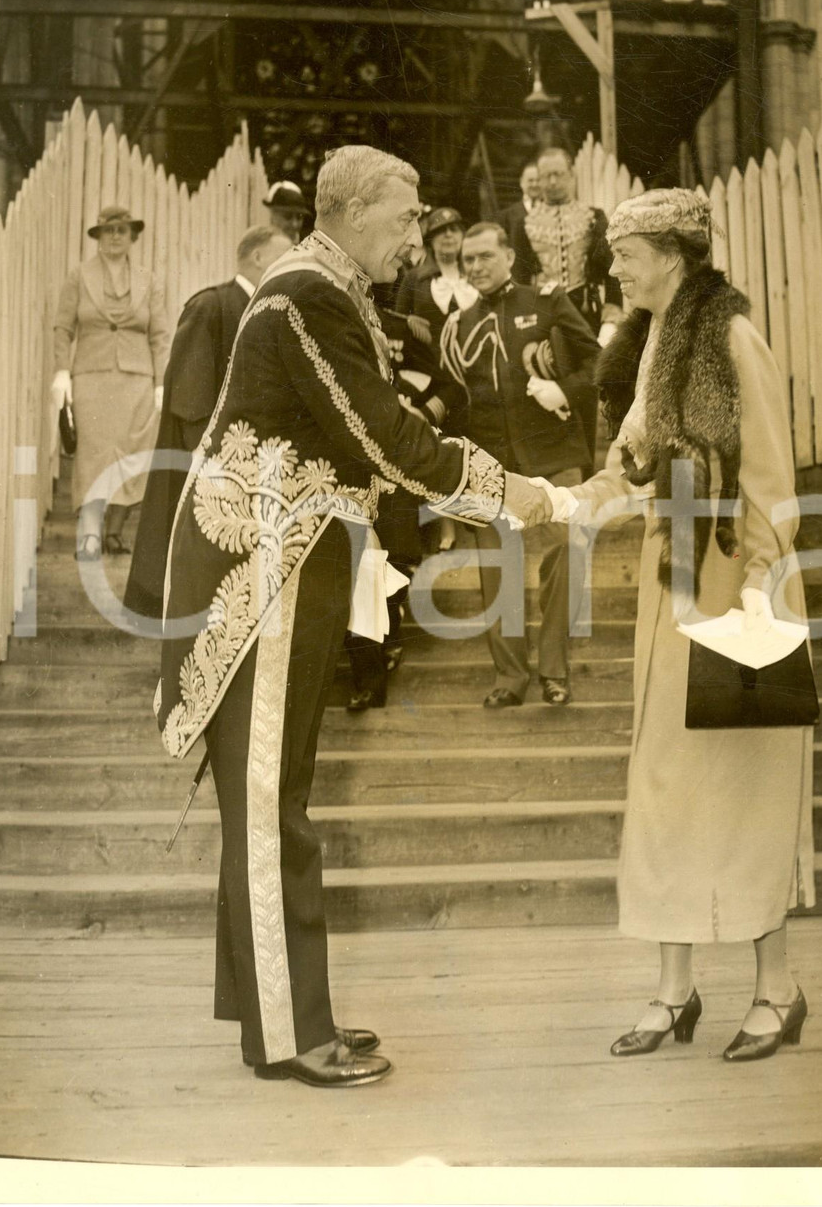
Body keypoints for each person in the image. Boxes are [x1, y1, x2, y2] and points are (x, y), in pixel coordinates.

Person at [156, 145, 550, 1088]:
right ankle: (292, 1031)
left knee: (271, 798)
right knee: (269, 805)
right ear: (354, 210)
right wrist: (518, 493)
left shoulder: (325, 290)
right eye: (407, 216)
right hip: (265, 574)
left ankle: (276, 1010)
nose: (418, 237)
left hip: (290, 563)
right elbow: (390, 440)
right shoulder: (305, 294)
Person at [548, 188, 815, 1062]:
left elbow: (772, 479)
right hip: (675, 581)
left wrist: (755, 597)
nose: (614, 267)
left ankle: (777, 989)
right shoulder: (656, 340)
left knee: (745, 790)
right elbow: (634, 462)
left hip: (741, 580)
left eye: (626, 253)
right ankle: (674, 990)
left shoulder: (733, 337)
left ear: (671, 252)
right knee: (664, 783)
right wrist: (567, 501)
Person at [439, 222, 599, 708]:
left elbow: (597, 362)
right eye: (469, 260)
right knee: (498, 569)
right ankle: (509, 678)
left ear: (510, 256)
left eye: (486, 256)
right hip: (490, 465)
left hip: (552, 458)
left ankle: (554, 671)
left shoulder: (546, 302)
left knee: (561, 561)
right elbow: (456, 399)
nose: (476, 267)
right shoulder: (460, 324)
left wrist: (564, 391)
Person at [122, 225, 293, 620]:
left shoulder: (269, 307)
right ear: (258, 258)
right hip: (210, 462)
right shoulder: (211, 306)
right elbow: (190, 395)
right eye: (283, 256)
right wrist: (214, 462)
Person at [343, 316, 467, 712]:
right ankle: (368, 678)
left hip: (394, 479)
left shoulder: (403, 342)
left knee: (393, 563)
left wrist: (421, 416)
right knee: (359, 574)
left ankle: (390, 641)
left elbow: (447, 387)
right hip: (349, 475)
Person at [50, 206, 169, 560]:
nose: (115, 236)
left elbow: (160, 336)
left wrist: (161, 383)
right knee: (93, 456)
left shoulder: (149, 280)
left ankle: (114, 532)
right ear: (98, 237)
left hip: (137, 382)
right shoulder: (79, 276)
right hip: (91, 379)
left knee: (133, 456)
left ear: (133, 236)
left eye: (122, 230)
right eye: (108, 230)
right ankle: (89, 535)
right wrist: (61, 371)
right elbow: (63, 327)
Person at [522, 147, 623, 332]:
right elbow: (519, 275)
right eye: (546, 176)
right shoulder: (526, 222)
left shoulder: (593, 217)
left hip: (586, 310)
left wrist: (611, 316)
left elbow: (612, 267)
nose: (553, 181)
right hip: (543, 312)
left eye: (558, 174)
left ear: (571, 175)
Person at [394, 206, 478, 343]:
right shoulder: (414, 278)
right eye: (441, 231)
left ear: (463, 236)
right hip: (426, 360)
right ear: (431, 240)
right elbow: (401, 325)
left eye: (454, 230)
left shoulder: (477, 274)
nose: (448, 235)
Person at [496, 161, 542, 284]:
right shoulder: (507, 216)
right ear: (521, 182)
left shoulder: (551, 212)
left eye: (538, 180)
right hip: (519, 279)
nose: (534, 184)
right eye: (530, 180)